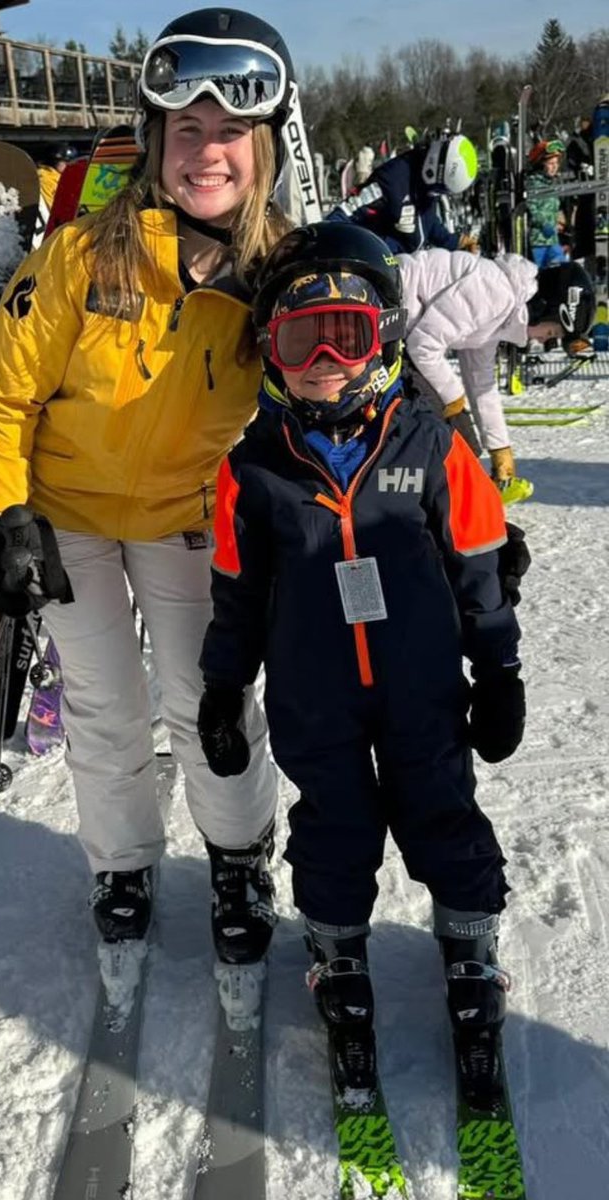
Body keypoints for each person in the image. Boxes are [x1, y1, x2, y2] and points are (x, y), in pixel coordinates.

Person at [0, 8, 294, 971]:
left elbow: (340, 387)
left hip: (187, 519)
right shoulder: (82, 255)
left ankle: (238, 856)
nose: (206, 153)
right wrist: (4, 515)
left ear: (260, 144)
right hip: (68, 521)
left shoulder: (278, 273)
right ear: (156, 141)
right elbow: (3, 388)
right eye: (185, 130)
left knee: (212, 700)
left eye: (227, 132)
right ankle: (122, 861)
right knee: (106, 705)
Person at [197, 222, 524, 1104]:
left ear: (380, 336)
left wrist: (498, 671)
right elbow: (234, 592)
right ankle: (338, 960)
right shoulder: (254, 471)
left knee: (442, 813)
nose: (324, 363)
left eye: (344, 335)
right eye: (300, 341)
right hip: (315, 698)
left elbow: (480, 560)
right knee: (334, 830)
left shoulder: (427, 447)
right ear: (271, 349)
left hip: (421, 690)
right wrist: (224, 687)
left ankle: (470, 956)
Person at [397, 250, 597, 504]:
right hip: (385, 307)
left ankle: (457, 493)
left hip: (401, 328)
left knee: (460, 434)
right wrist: (454, 401)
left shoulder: (502, 313)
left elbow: (482, 384)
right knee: (431, 416)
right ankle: (431, 498)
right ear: (544, 308)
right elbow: (424, 345)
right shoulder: (495, 292)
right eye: (554, 330)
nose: (547, 339)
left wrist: (500, 449)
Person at [326, 134, 480, 254]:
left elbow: (428, 222)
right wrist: (320, 239)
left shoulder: (425, 188)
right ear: (435, 171)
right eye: (441, 189)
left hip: (403, 267)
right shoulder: (391, 182)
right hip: (373, 263)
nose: (438, 194)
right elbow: (347, 211)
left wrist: (456, 242)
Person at [525, 139, 569, 267]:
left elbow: (555, 208)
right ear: (541, 164)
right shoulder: (533, 183)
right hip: (537, 241)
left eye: (556, 163)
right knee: (541, 275)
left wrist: (560, 221)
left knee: (561, 269)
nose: (555, 166)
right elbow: (531, 208)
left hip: (552, 240)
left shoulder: (552, 184)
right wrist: (545, 224)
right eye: (550, 163)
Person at [36, 143, 76, 212]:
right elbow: (50, 206)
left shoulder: (58, 176)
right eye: (65, 162)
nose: (68, 165)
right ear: (53, 161)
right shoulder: (45, 178)